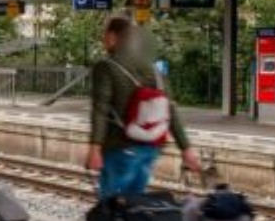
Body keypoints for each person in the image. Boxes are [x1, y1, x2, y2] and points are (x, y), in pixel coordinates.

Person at [85, 16, 200, 198]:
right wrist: (186, 148)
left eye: (105, 34)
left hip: (120, 148)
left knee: (110, 206)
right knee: (134, 204)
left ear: (113, 37)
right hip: (150, 150)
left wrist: (95, 148)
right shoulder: (153, 68)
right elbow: (170, 109)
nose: (103, 39)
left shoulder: (106, 66)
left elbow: (100, 109)